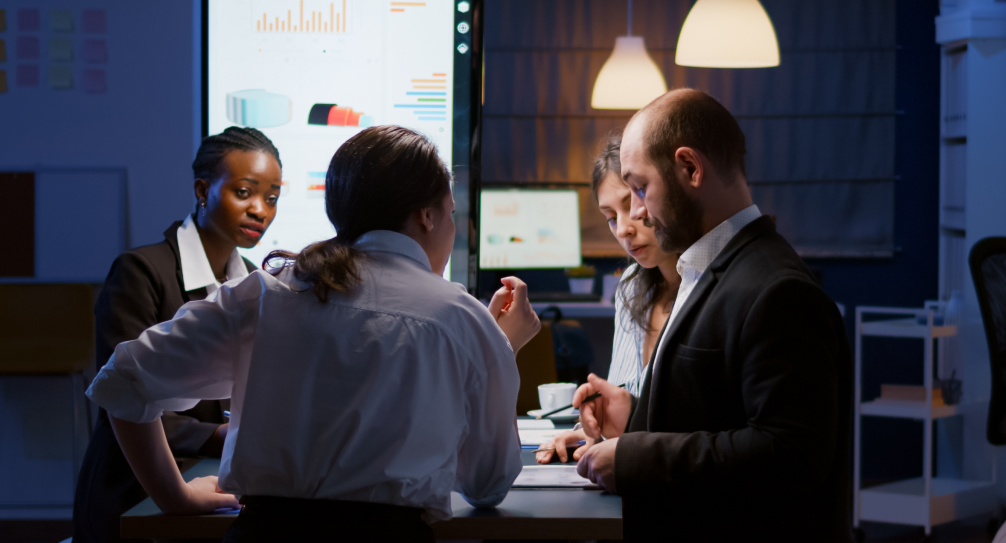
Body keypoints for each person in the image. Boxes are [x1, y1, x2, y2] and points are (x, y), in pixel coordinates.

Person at [85, 125, 542, 542]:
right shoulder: (462, 316)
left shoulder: (264, 292)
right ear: (427, 215)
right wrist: (501, 348)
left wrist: (175, 497)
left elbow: (123, 380)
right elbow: (487, 484)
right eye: (451, 212)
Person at [572, 89, 854, 542]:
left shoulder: (778, 290)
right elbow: (720, 410)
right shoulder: (703, 269)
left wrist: (636, 455)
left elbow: (791, 454)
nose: (637, 211)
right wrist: (641, 416)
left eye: (641, 188)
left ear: (690, 168)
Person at [73, 127, 282, 543]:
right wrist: (221, 434)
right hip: (136, 486)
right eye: (244, 192)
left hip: (218, 479)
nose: (260, 209)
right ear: (203, 191)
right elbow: (117, 393)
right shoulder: (140, 271)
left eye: (272, 198)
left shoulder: (259, 281)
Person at [537, 135, 681, 465]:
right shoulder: (631, 285)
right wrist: (591, 431)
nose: (623, 230)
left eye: (630, 206)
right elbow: (622, 398)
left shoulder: (706, 289)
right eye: (611, 217)